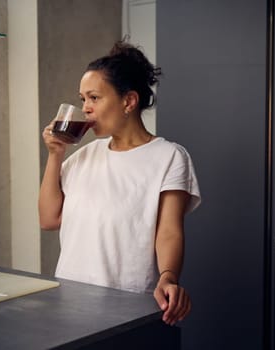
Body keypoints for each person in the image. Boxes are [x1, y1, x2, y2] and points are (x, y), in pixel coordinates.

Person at [38, 40, 201, 326]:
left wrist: (168, 277)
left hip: (129, 305)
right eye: (82, 99)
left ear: (128, 101)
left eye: (94, 98)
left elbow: (169, 232)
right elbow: (49, 218)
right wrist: (55, 155)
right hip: (69, 302)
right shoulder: (83, 157)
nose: (85, 108)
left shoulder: (169, 157)